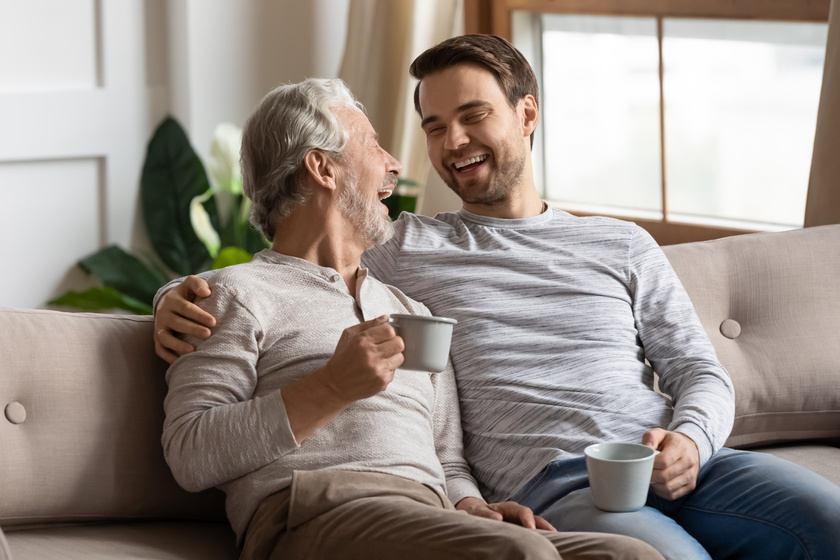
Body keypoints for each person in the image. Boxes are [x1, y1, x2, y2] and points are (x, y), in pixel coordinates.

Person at [155, 37, 840, 560]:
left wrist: (690, 441)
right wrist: (168, 300)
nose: (443, 146)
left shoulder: (617, 246)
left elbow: (699, 372)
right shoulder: (405, 245)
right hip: (553, 486)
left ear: (527, 113)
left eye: (473, 115)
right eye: (431, 127)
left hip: (673, 462)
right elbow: (288, 263)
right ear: (325, 164)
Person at [160, 77, 660, 560]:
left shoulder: (409, 310)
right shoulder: (232, 295)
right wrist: (330, 387)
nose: (394, 163)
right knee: (518, 553)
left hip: (432, 515)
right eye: (373, 144)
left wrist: (469, 505)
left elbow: (447, 456)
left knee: (627, 554)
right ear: (322, 167)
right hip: (314, 511)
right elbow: (189, 452)